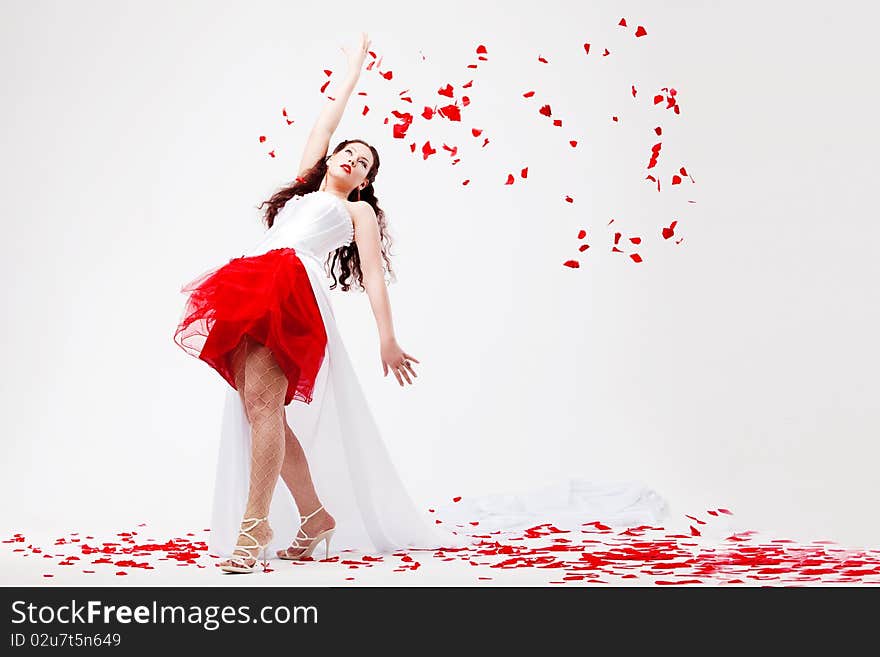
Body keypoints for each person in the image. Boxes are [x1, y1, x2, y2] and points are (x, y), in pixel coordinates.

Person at [173, 32, 473, 574]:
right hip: (250, 283)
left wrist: (387, 337)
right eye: (349, 154)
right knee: (260, 412)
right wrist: (354, 66)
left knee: (264, 407)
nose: (352, 161)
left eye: (363, 165)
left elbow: (375, 276)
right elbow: (326, 119)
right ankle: (315, 519)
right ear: (332, 159)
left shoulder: (355, 213)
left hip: (290, 289)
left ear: (364, 184)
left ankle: (255, 524)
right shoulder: (304, 191)